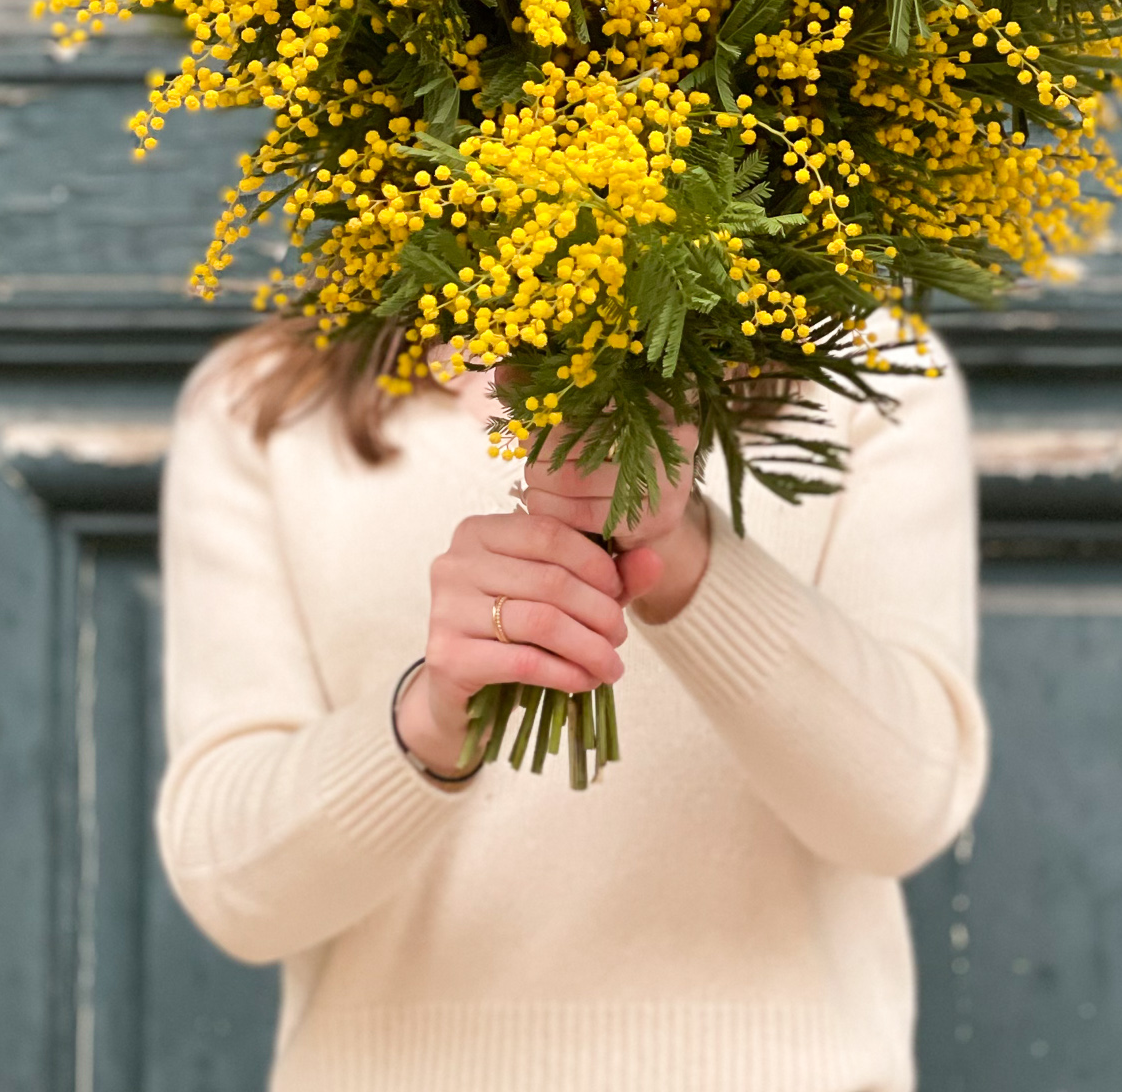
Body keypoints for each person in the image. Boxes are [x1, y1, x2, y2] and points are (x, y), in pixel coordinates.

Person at [156, 314, 989, 1092]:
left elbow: (904, 807)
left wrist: (685, 553)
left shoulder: (867, 367)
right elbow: (234, 887)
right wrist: (432, 716)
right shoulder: (265, 404)